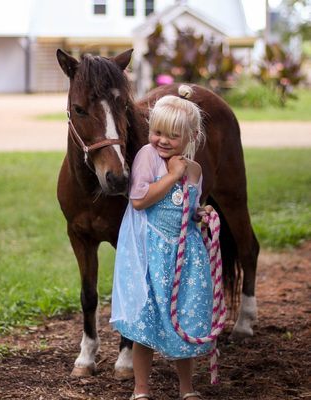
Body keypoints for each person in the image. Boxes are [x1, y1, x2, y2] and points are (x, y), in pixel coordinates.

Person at [110, 85, 214, 400]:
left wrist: (201, 214)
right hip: (151, 253)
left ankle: (187, 388)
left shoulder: (194, 169)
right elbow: (139, 200)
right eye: (157, 132)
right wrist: (171, 176)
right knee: (146, 323)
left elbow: (186, 208)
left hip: (185, 256)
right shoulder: (147, 156)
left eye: (172, 136)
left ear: (191, 138)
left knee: (186, 319)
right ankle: (141, 389)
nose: (162, 141)